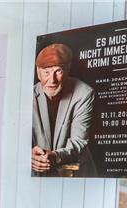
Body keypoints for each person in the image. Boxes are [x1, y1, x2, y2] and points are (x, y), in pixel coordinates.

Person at [31, 43, 96, 177]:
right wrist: (28, 155)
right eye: (46, 72)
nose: (52, 80)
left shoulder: (84, 93)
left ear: (67, 70)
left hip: (74, 172)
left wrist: (56, 156)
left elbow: (79, 141)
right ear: (38, 72)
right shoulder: (27, 95)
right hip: (38, 173)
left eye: (58, 71)